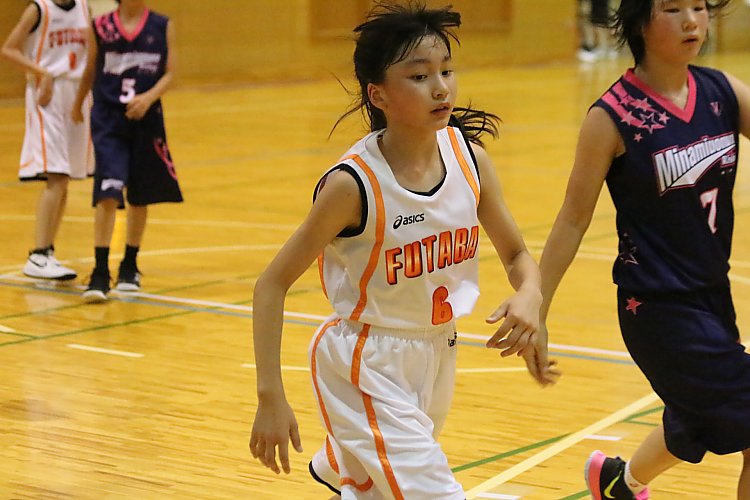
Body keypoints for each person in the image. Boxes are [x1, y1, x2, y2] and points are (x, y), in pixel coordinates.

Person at [249, 2, 558, 498]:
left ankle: (342, 463)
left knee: (387, 488)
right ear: (379, 95)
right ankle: (350, 452)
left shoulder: (470, 160)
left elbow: (518, 255)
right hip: (367, 360)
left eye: (446, 71)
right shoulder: (354, 185)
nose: (441, 88)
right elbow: (271, 284)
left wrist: (530, 298)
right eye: (418, 76)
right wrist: (270, 397)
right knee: (434, 492)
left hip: (438, 351)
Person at [538, 0, 750, 498]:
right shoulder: (612, 116)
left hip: (712, 296)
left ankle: (620, 483)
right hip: (656, 308)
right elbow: (572, 219)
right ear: (639, 22)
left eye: (699, 5)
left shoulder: (720, 91)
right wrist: (536, 305)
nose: (692, 19)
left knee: (696, 419)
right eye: (673, 8)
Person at [72, 0, 182, 302]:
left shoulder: (162, 25)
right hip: (108, 120)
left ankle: (129, 265)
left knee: (140, 195)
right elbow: (90, 69)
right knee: (108, 191)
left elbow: (170, 74)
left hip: (147, 119)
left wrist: (148, 98)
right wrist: (77, 105)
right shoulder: (101, 26)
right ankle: (99, 271)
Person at [1, 0, 94, 281]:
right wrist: (42, 73)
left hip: (78, 94)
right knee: (57, 174)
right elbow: (8, 49)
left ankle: (47, 252)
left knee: (66, 178)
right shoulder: (39, 9)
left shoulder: (83, 7)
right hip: (48, 94)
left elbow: (92, 51)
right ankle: (39, 254)